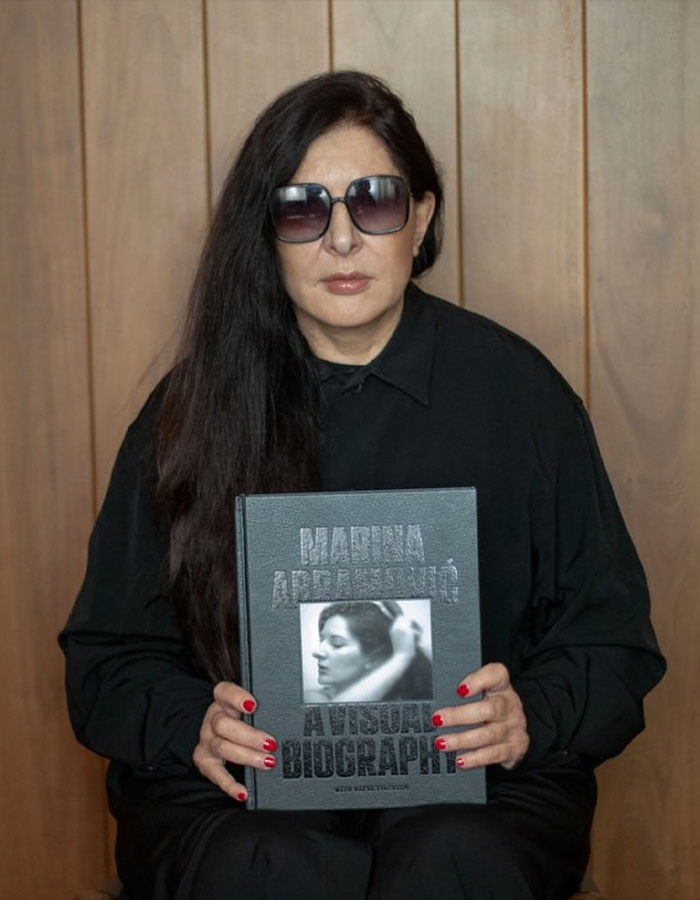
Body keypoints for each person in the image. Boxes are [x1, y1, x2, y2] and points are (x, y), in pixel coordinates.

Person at [59, 70, 665, 900]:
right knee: (265, 864)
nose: (340, 239)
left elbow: (615, 641)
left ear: (420, 217)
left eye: (373, 201)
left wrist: (532, 714)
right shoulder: (190, 411)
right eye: (303, 208)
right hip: (241, 790)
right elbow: (105, 662)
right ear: (266, 233)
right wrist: (191, 726)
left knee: (453, 852)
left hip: (476, 784)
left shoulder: (523, 398)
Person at [305, 600, 433, 702]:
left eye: (336, 644)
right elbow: (332, 720)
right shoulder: (313, 698)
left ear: (374, 659)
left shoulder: (408, 701)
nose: (317, 651)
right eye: (321, 639)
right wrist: (403, 656)